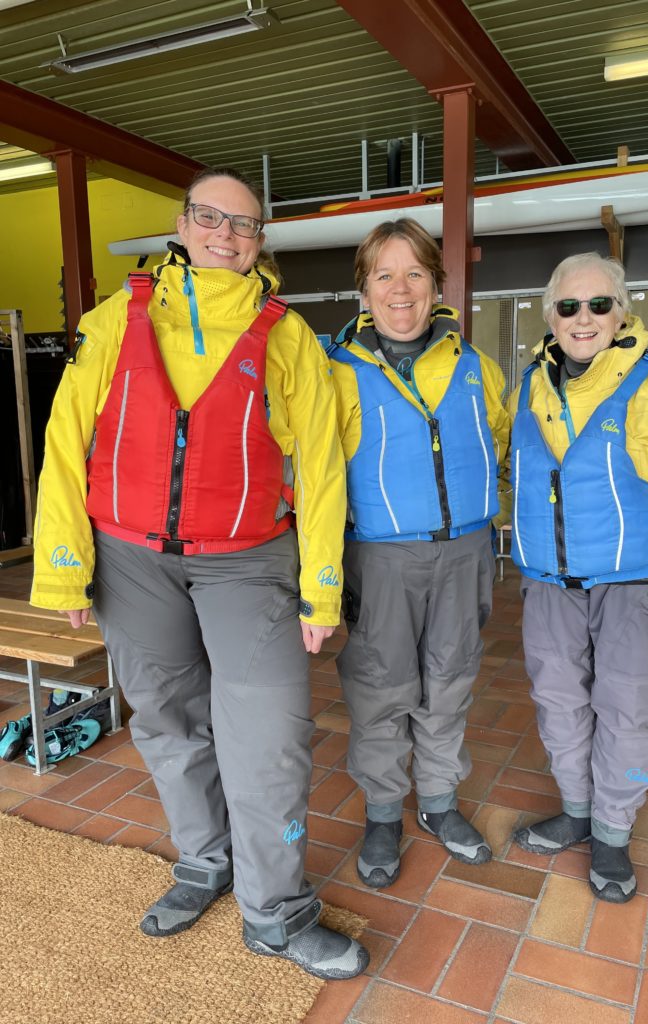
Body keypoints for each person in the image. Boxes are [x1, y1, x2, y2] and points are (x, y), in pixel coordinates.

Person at [30, 167, 368, 980]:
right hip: (130, 561)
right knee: (168, 724)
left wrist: (322, 589)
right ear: (182, 225)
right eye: (210, 218)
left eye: (244, 225)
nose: (225, 234)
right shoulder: (115, 319)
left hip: (249, 565)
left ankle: (276, 910)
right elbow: (65, 442)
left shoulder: (286, 335)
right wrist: (65, 571)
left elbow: (321, 471)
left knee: (269, 739)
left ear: (260, 244)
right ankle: (205, 861)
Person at [508, 252, 648, 903]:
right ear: (551, 315)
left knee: (626, 709)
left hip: (638, 585)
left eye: (599, 304)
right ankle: (578, 810)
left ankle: (610, 832)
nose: (584, 318)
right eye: (570, 306)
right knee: (560, 705)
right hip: (551, 584)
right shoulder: (526, 388)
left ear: (621, 312)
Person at [327, 218, 510, 888]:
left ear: (437, 283)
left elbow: (498, 442)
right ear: (364, 290)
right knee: (380, 692)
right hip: (379, 560)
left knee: (450, 682)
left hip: (464, 554)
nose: (400, 289)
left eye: (415, 273)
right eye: (385, 275)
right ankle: (382, 812)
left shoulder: (473, 367)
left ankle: (436, 803)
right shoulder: (336, 373)